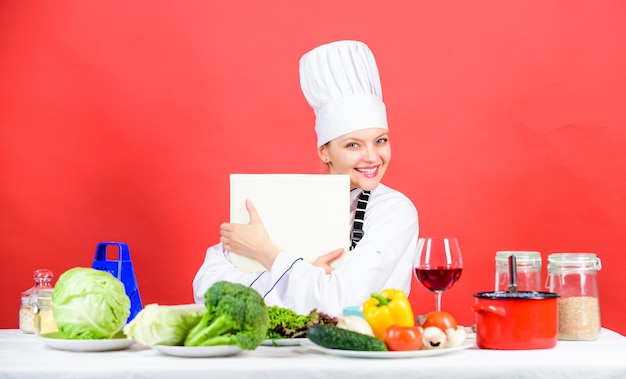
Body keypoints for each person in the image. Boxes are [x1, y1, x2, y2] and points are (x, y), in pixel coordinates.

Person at [192, 40, 419, 317]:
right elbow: (206, 289)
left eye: (380, 141)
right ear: (325, 152)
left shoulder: (394, 211)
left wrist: (267, 254)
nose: (372, 157)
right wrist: (307, 276)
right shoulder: (285, 198)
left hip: (362, 354)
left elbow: (339, 304)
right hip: (274, 353)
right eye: (353, 145)